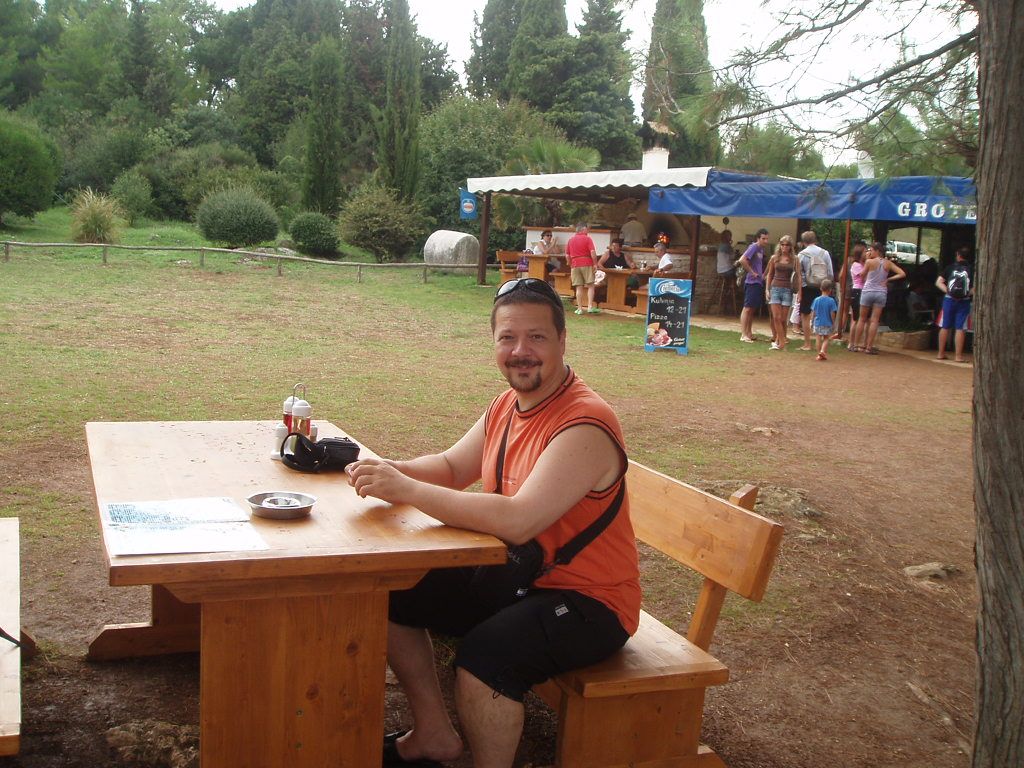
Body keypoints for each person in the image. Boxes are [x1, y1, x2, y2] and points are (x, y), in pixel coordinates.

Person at [347, 277, 640, 768]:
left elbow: (519, 520)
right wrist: (385, 470)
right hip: (519, 575)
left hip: (590, 602)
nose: (520, 351)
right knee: (393, 592)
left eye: (536, 337)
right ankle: (433, 735)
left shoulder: (585, 422)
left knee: (487, 659)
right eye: (508, 337)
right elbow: (450, 467)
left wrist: (407, 490)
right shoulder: (507, 404)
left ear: (563, 341)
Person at [854, 241, 907, 355]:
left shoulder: (869, 262)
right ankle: (869, 347)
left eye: (871, 250)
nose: (870, 252)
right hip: (881, 292)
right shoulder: (888, 263)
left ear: (877, 251)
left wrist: (867, 260)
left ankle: (856, 344)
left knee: (862, 318)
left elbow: (862, 275)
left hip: (868, 290)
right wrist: (888, 279)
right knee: (875, 320)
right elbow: (902, 273)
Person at [796, 231, 834, 351]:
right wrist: (827, 287)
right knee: (823, 313)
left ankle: (807, 343)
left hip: (806, 287)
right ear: (815, 240)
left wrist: (799, 292)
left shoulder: (801, 255)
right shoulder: (825, 253)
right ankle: (823, 340)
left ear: (803, 242)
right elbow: (830, 273)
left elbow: (799, 275)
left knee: (805, 315)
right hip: (822, 287)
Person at [935, 246, 974, 362]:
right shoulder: (971, 269)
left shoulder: (950, 267)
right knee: (960, 328)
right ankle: (958, 356)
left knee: (945, 326)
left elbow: (938, 282)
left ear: (958, 255)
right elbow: (975, 288)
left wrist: (948, 291)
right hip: (964, 301)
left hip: (949, 300)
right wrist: (967, 294)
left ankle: (940, 353)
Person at [763, 235, 801, 350]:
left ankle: (780, 340)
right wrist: (767, 289)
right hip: (775, 288)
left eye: (787, 245)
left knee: (783, 319)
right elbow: (770, 274)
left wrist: (800, 292)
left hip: (788, 290)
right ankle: (780, 341)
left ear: (791, 246)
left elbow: (799, 276)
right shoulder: (774, 258)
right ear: (779, 245)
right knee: (776, 317)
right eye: (782, 244)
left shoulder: (795, 259)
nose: (784, 247)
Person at [738, 228, 769, 343]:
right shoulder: (754, 247)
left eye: (767, 239)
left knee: (752, 309)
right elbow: (742, 260)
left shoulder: (760, 249)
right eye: (763, 238)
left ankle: (749, 333)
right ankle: (743, 334)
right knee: (747, 308)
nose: (765, 241)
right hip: (751, 282)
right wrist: (752, 272)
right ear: (758, 238)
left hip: (758, 282)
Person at [565, 222, 600, 315]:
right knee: (591, 285)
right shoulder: (587, 239)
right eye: (587, 229)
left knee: (578, 287)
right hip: (586, 262)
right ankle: (590, 306)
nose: (588, 231)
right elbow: (592, 252)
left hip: (575, 264)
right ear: (583, 229)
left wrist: (570, 264)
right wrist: (595, 264)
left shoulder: (570, 240)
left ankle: (579, 308)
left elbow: (567, 255)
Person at [841, 241, 867, 351]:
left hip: (862, 291)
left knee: (861, 318)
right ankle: (851, 342)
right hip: (857, 291)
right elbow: (864, 277)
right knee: (855, 318)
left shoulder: (863, 265)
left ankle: (858, 342)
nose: (867, 253)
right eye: (865, 251)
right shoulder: (856, 265)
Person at [810, 279, 838, 361]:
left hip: (818, 322)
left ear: (820, 288)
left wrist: (811, 321)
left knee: (818, 338)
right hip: (827, 323)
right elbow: (832, 313)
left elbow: (813, 312)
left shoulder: (816, 300)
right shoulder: (831, 301)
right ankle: (822, 351)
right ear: (830, 290)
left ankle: (819, 353)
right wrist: (833, 322)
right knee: (826, 338)